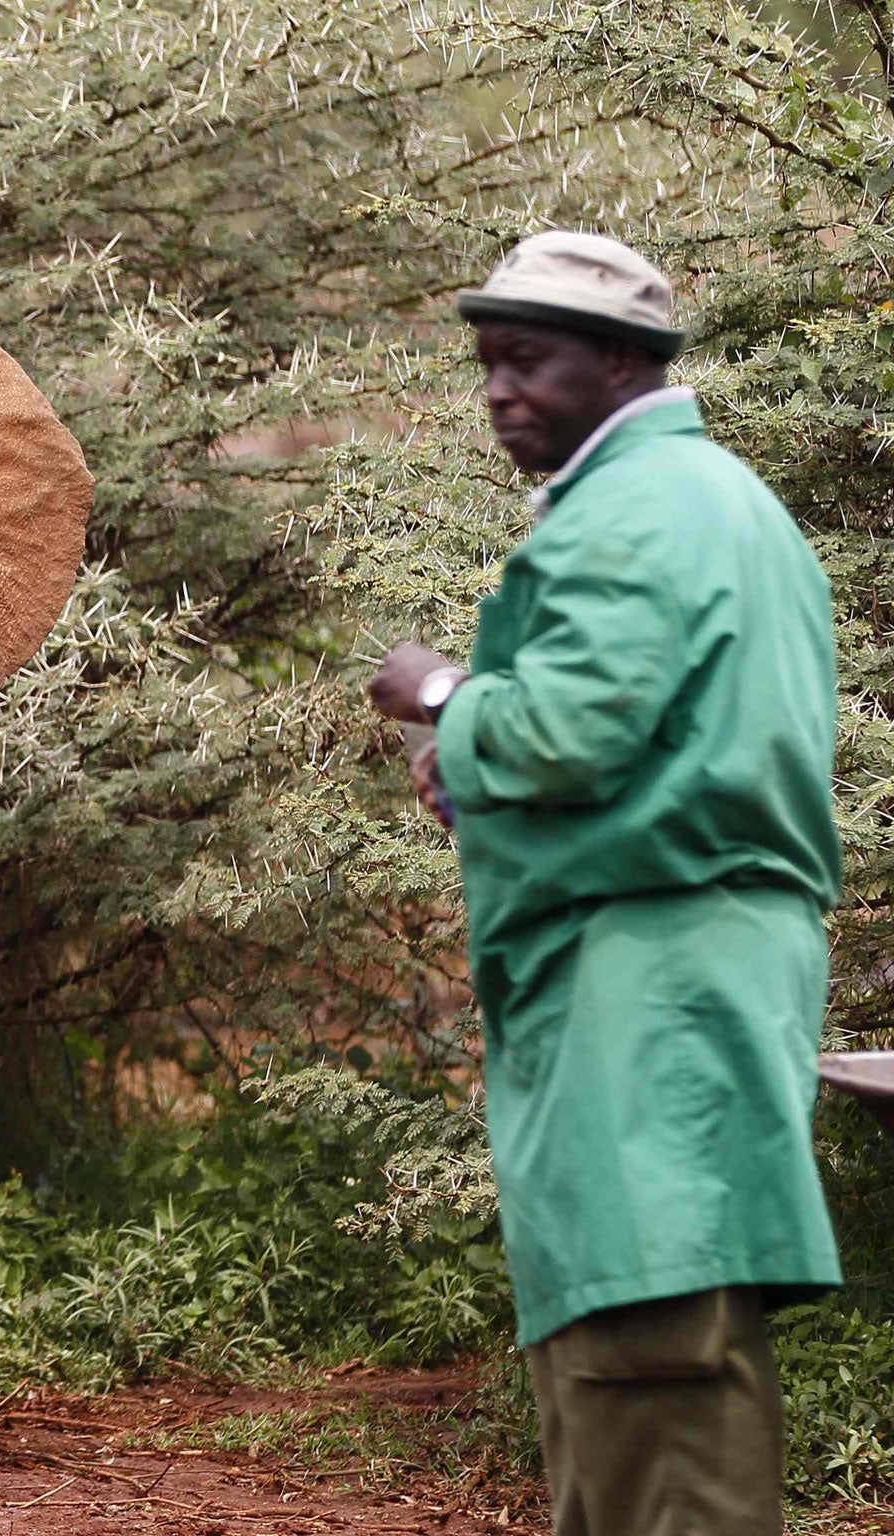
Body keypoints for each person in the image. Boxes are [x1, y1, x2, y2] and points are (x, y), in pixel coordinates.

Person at [367, 230, 844, 1536]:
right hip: (687, 958)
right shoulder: (726, 505)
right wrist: (478, 773)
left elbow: (573, 728)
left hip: (650, 975)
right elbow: (677, 750)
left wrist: (445, 697)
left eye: (529, 362)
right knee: (633, 1331)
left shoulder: (633, 510)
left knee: (646, 1337)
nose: (498, 393)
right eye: (487, 366)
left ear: (626, 361)